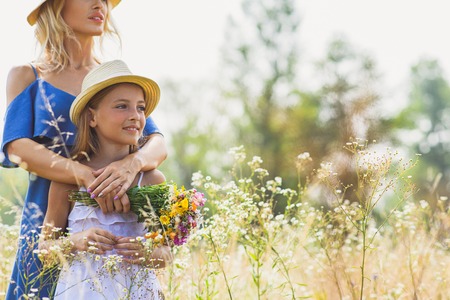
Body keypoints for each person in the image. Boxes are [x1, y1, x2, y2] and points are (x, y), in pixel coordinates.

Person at [1, 1, 167, 299]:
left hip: (118, 212)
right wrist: (83, 174)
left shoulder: (113, 79)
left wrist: (132, 164)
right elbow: (16, 146)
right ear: (55, 6)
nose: (99, 4)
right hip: (48, 211)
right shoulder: (28, 75)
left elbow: (156, 142)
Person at [39, 59, 172, 299]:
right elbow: (45, 251)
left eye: (141, 108)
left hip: (137, 292)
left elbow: (167, 254)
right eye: (122, 106)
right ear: (92, 117)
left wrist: (147, 251)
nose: (135, 116)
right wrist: (76, 241)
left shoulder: (151, 180)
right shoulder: (67, 181)